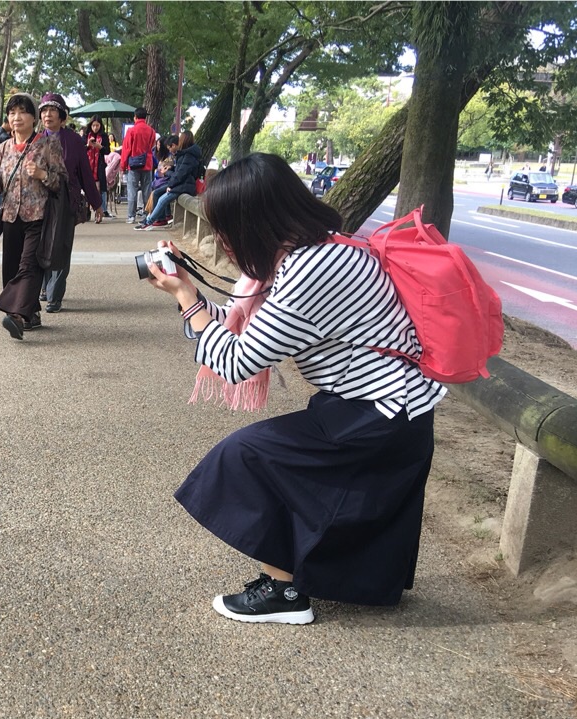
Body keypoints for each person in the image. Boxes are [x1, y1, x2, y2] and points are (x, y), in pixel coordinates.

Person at [142, 152, 445, 624]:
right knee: (306, 478)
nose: (224, 239)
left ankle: (283, 595)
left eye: (226, 228)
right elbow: (254, 332)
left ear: (253, 221)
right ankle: (327, 583)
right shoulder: (321, 251)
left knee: (250, 456)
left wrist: (185, 300)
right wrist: (191, 294)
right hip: (388, 409)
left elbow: (236, 360)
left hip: (378, 415)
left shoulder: (309, 271)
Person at [0, 93, 66, 340]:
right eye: (12, 113)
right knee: (10, 270)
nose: (16, 117)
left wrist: (42, 174)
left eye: (22, 112)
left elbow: (61, 182)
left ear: (33, 117)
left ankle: (17, 317)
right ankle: (31, 313)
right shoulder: (1, 149)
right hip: (10, 216)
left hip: (38, 216)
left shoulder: (48, 145)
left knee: (28, 266)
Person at [36, 92, 102, 314]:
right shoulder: (35, 140)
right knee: (42, 243)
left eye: (52, 110)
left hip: (67, 200)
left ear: (62, 116)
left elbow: (84, 173)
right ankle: (44, 287)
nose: (48, 115)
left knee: (62, 246)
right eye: (44, 111)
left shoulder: (74, 141)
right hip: (41, 200)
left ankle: (55, 295)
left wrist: (96, 203)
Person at [135, 129, 203, 230]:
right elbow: (179, 171)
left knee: (163, 199)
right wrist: (170, 170)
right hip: (181, 184)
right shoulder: (185, 154)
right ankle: (157, 218)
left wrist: (170, 185)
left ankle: (149, 222)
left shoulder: (188, 156)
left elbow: (181, 174)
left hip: (185, 185)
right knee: (157, 193)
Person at [120, 106, 157, 223]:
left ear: (135, 117)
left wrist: (123, 165)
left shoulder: (131, 131)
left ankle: (131, 216)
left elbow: (126, 149)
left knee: (132, 190)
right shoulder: (151, 131)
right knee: (147, 190)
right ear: (145, 118)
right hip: (147, 163)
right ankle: (148, 214)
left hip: (133, 164)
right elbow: (151, 146)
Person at [83, 116, 112, 217]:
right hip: (87, 165)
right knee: (86, 187)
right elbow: (80, 150)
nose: (95, 128)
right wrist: (88, 145)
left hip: (99, 165)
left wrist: (100, 147)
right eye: (93, 125)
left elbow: (108, 151)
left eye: (97, 125)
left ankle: (102, 210)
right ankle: (86, 210)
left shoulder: (103, 136)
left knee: (101, 188)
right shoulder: (86, 135)